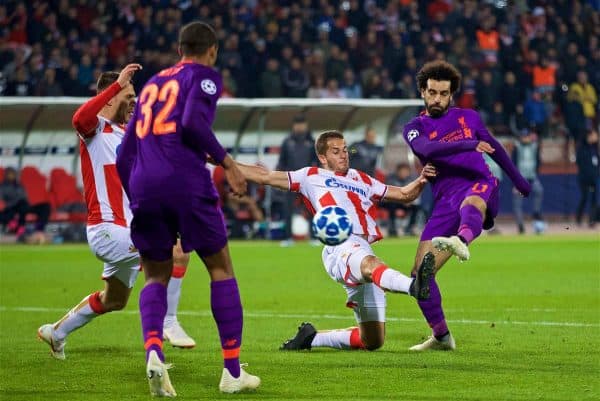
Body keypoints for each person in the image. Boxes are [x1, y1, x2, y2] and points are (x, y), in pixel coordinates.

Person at [115, 22, 260, 396]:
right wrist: (228, 164)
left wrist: (139, 198)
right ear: (212, 50)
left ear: (180, 49)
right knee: (220, 268)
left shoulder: (151, 85)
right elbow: (193, 123)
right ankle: (231, 371)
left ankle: (153, 352)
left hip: (144, 186)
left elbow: (124, 154)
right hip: (184, 180)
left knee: (155, 276)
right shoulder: (204, 76)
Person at [37, 65, 196, 366]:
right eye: (129, 94)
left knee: (115, 300)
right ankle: (167, 322)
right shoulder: (94, 130)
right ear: (110, 98)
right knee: (175, 251)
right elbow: (79, 118)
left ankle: (56, 332)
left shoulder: (128, 134)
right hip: (108, 230)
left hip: (128, 231)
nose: (134, 101)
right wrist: (116, 85)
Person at [236, 130, 437, 352]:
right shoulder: (309, 176)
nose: (343, 155)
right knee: (370, 264)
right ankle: (412, 286)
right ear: (323, 157)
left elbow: (403, 195)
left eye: (345, 150)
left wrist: (422, 179)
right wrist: (223, 161)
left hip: (361, 246)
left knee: (372, 341)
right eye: (335, 151)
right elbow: (264, 176)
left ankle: (311, 338)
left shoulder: (361, 178)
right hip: (340, 244)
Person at [402, 60, 531, 351]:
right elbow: (426, 149)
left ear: (451, 95)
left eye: (443, 93)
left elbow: (495, 148)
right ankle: (441, 336)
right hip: (445, 200)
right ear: (422, 91)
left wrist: (520, 182)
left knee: (472, 200)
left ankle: (462, 240)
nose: (437, 98)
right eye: (432, 92)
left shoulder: (469, 118)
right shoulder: (414, 128)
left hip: (479, 184)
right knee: (420, 274)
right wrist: (467, 144)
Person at [275, 114, 319, 246]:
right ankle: (288, 238)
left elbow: (317, 162)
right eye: (298, 124)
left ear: (306, 125)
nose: (300, 127)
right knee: (287, 209)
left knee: (312, 209)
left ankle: (314, 237)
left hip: (307, 180)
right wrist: (280, 179)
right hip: (291, 180)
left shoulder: (312, 142)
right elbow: (281, 162)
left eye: (302, 124)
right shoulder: (287, 142)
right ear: (294, 126)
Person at [512, 129, 546, 234]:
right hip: (520, 179)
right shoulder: (517, 148)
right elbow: (512, 165)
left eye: (527, 136)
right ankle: (520, 225)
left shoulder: (534, 147)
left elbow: (538, 161)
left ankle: (536, 212)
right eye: (523, 136)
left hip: (532, 177)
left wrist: (536, 172)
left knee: (539, 191)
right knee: (517, 203)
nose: (525, 138)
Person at [381, 162, 422, 236]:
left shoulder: (411, 181)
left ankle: (410, 227)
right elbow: (387, 195)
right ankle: (392, 228)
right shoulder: (391, 180)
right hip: (392, 202)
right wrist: (401, 201)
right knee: (391, 206)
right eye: (402, 172)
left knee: (416, 207)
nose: (404, 173)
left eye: (406, 172)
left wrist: (409, 200)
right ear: (398, 172)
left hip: (406, 203)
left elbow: (415, 194)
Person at [575, 129, 599, 227]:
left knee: (594, 199)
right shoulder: (581, 149)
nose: (596, 137)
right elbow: (580, 163)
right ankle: (578, 218)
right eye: (593, 135)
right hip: (584, 178)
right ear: (588, 136)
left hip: (594, 178)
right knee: (584, 197)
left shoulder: (594, 148)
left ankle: (591, 220)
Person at [0, 167, 28, 239]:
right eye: (9, 174)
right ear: (6, 175)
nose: (11, 176)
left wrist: (16, 201)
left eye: (13, 174)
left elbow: (23, 196)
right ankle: (17, 228)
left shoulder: (19, 185)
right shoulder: (3, 186)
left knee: (23, 206)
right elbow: (1, 198)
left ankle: (20, 228)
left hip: (19, 205)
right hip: (9, 206)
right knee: (6, 213)